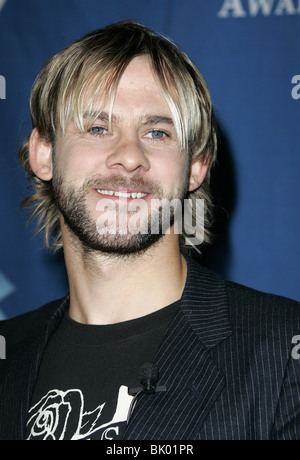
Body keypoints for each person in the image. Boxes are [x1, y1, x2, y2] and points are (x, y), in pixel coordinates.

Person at [0, 21, 299, 441]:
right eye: (98, 128)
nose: (128, 156)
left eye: (156, 132)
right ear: (44, 154)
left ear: (195, 166)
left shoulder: (283, 352)